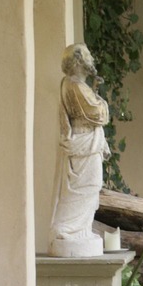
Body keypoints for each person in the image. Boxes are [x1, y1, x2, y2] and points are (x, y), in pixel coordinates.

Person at [48, 43, 110, 257]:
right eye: (88, 55)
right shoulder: (75, 86)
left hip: (84, 140)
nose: (91, 58)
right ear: (78, 61)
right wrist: (101, 103)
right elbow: (98, 114)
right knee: (87, 186)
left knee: (88, 187)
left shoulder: (73, 85)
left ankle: (80, 230)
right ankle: (67, 229)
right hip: (84, 141)